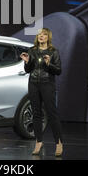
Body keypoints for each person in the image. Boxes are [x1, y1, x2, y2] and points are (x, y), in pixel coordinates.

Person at [20, 28, 63, 157]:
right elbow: (28, 70)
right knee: (36, 114)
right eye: (39, 34)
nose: (41, 36)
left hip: (47, 84)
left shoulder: (53, 52)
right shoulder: (32, 51)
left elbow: (58, 70)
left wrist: (49, 64)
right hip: (33, 84)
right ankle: (38, 141)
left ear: (48, 37)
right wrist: (27, 62)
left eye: (44, 35)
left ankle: (58, 143)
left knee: (52, 114)